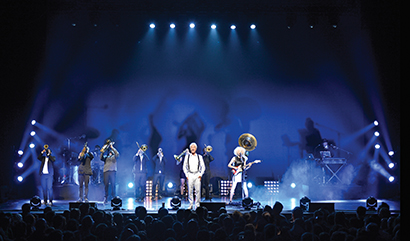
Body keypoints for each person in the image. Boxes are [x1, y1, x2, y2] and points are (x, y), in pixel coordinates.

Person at [183, 142, 205, 209]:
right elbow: (184, 166)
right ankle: (191, 204)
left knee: (198, 190)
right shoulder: (187, 157)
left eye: (194, 147)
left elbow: (203, 166)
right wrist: (186, 175)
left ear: (196, 148)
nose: (193, 148)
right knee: (190, 190)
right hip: (190, 174)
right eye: (191, 147)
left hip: (197, 174)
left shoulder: (199, 157)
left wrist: (200, 174)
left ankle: (197, 204)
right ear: (190, 148)